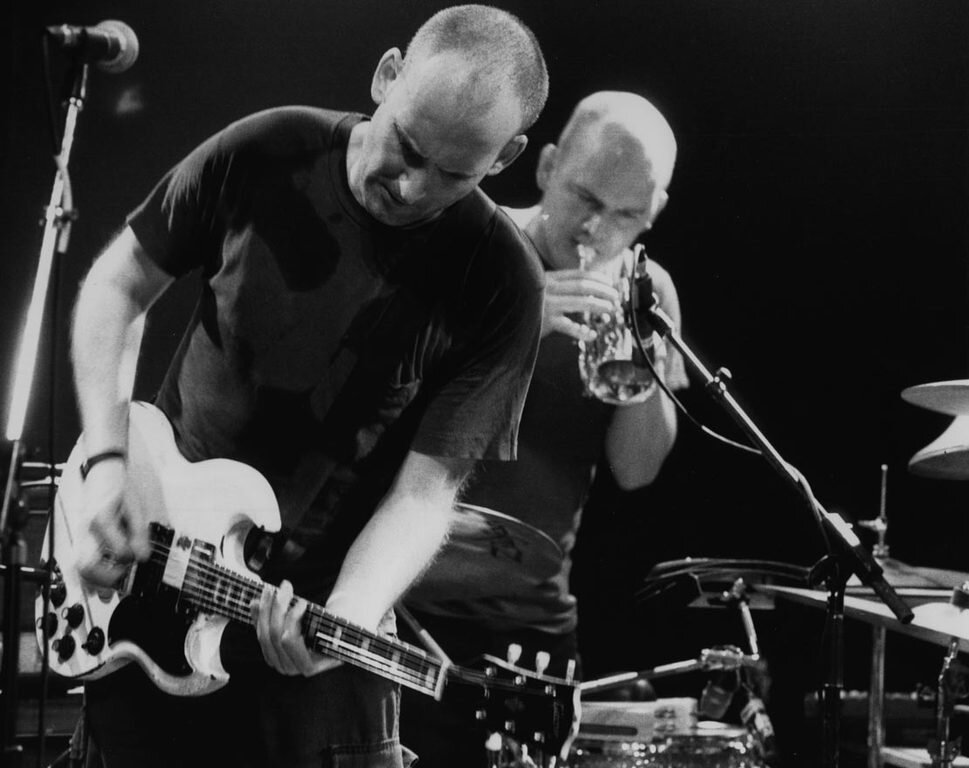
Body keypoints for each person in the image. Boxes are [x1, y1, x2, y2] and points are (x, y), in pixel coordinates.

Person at [68, 6, 548, 767]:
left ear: (506, 156)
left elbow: (425, 492)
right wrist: (107, 464)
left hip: (315, 657)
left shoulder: (501, 281)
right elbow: (117, 286)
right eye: (407, 146)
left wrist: (351, 613)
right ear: (387, 75)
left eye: (452, 175)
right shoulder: (269, 148)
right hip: (146, 583)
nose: (411, 186)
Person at [400, 91, 689, 766]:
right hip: (404, 596)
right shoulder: (470, 243)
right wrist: (517, 319)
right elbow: (383, 408)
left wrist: (643, 360)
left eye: (626, 215)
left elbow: (636, 471)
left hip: (532, 623)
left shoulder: (650, 289)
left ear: (654, 212)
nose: (596, 229)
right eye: (585, 197)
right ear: (547, 166)